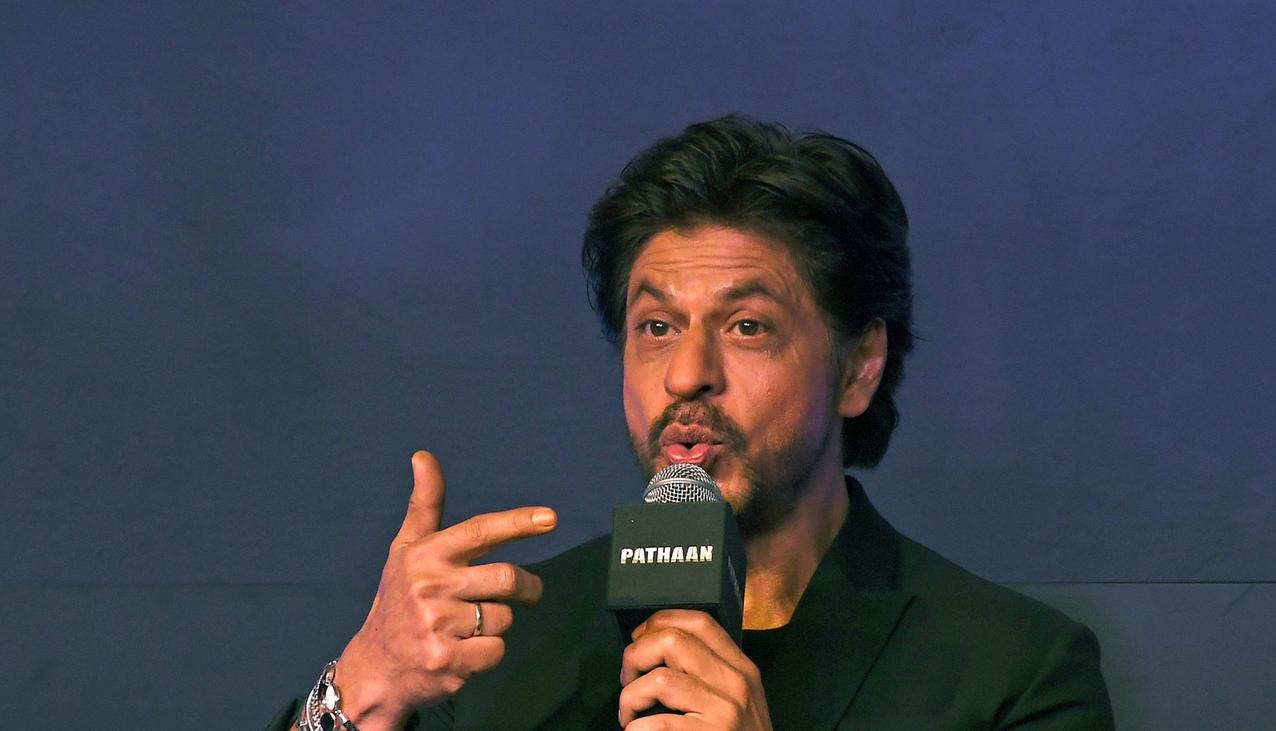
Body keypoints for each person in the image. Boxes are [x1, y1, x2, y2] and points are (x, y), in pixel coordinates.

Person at [273, 115, 1114, 730]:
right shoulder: (496, 647)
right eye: (656, 326)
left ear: (859, 366)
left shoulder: (1014, 672)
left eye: (746, 326)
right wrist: (366, 681)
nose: (686, 373)